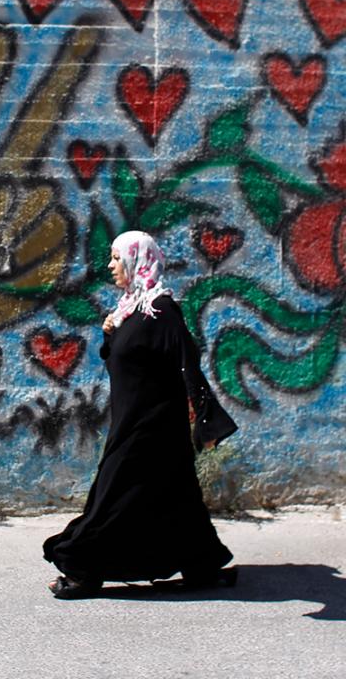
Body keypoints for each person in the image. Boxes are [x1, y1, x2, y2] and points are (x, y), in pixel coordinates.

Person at [43, 230, 238, 599]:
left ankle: (84, 569)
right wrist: (110, 334)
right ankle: (202, 563)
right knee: (175, 498)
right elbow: (126, 360)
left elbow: (187, 365)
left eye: (117, 258)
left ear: (137, 260)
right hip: (136, 421)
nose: (110, 266)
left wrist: (209, 421)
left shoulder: (162, 311)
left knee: (112, 494)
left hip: (150, 428)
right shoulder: (132, 308)